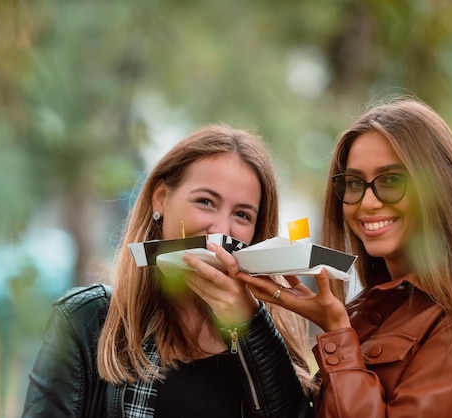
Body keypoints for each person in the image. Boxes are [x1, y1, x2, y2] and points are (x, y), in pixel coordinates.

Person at [239, 97, 452, 417]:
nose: (367, 203)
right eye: (354, 183)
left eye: (391, 180)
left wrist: (336, 329)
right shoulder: (362, 312)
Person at [22, 125, 314, 417]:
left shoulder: (272, 343)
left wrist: (251, 325)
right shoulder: (86, 321)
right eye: (206, 202)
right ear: (161, 197)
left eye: (242, 215)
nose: (222, 230)